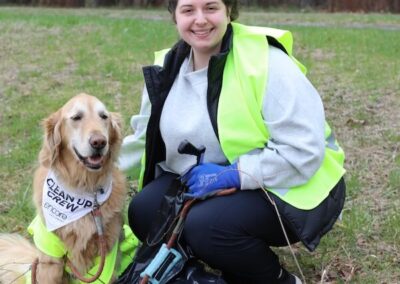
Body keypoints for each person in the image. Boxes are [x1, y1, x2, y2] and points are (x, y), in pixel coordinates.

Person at [119, 0, 346, 282]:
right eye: (188, 10)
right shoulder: (166, 67)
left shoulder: (264, 60)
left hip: (294, 183)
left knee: (207, 226)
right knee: (145, 210)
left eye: (211, 8)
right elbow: (143, 140)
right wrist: (85, 173)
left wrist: (233, 174)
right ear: (175, 17)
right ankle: (191, 273)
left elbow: (305, 152)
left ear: (229, 11)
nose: (200, 20)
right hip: (217, 180)